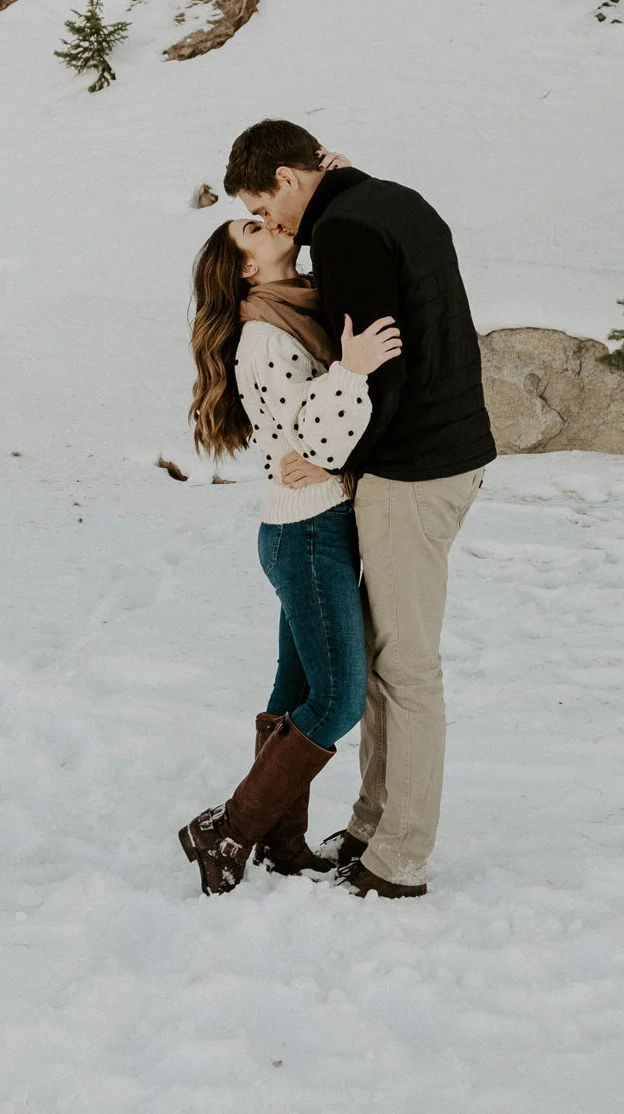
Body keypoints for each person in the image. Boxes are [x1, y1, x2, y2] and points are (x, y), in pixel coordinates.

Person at [225, 121, 495, 899]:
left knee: (405, 666)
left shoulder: (343, 230)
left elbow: (383, 363)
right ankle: (373, 821)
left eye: (262, 206)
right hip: (446, 455)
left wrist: (334, 452)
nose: (275, 227)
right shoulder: (388, 200)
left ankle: (397, 855)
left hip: (414, 469)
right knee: (382, 653)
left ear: (285, 177)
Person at [179, 213, 404, 896]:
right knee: (336, 700)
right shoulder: (263, 337)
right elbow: (315, 434)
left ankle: (280, 842)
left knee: (297, 692)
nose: (268, 221)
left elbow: (318, 447)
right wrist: (353, 369)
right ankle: (228, 827)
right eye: (252, 226)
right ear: (246, 267)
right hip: (306, 532)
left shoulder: (294, 306)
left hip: (310, 523)